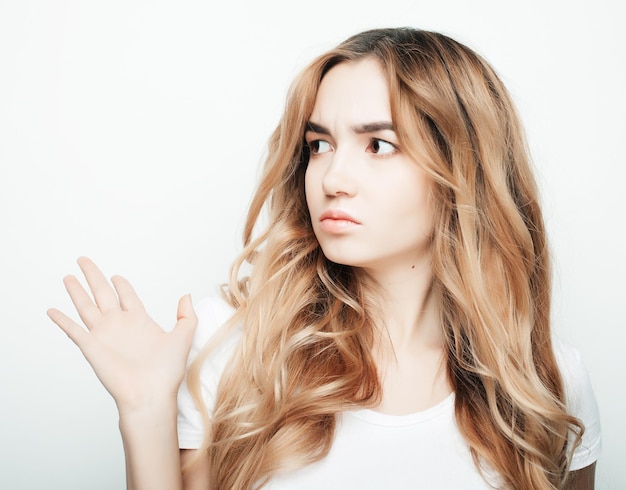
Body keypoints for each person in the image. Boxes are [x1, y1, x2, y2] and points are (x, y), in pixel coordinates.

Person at [48, 27, 601, 489]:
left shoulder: (547, 381)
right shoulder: (236, 351)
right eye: (320, 145)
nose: (332, 179)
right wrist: (145, 409)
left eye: (378, 145)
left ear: (462, 169)